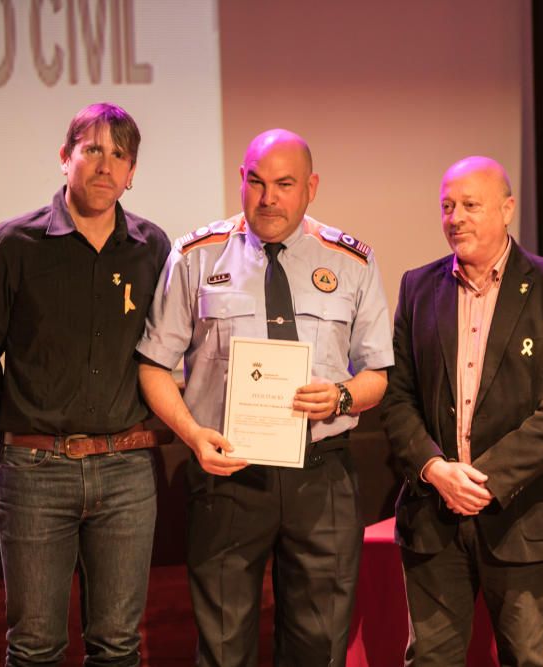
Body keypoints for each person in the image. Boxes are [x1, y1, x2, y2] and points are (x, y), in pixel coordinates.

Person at [136, 129, 393, 667]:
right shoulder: (195, 256)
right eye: (256, 181)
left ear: (311, 187)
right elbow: (154, 367)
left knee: (320, 647)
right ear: (241, 181)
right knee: (224, 647)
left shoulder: (351, 261)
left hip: (321, 474)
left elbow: (377, 375)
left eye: (284, 184)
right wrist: (192, 436)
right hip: (229, 473)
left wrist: (342, 397)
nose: (268, 196)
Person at [0, 103, 171, 666]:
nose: (105, 165)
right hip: (35, 474)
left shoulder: (153, 249)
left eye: (119, 155)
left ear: (132, 173)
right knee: (34, 650)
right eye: (92, 149)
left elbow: (170, 353)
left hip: (127, 473)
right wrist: (23, 430)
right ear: (65, 157)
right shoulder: (12, 245)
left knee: (119, 647)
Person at [380, 156, 543, 666]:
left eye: (471, 205)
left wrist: (483, 480)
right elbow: (397, 396)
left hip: (518, 515)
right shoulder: (417, 286)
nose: (456, 217)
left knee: (527, 657)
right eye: (447, 206)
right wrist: (436, 471)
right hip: (434, 514)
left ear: (508, 208)